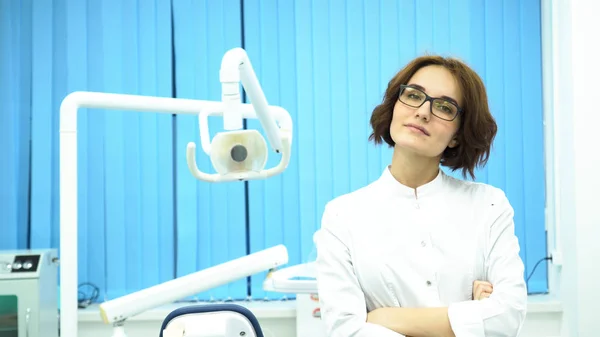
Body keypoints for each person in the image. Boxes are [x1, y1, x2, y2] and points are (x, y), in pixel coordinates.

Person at [313, 55, 528, 337]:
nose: (423, 112)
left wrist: (382, 318)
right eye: (413, 95)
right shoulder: (343, 216)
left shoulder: (489, 206)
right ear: (394, 107)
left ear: (457, 135)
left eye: (444, 107)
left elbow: (508, 316)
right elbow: (346, 329)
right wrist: (469, 320)